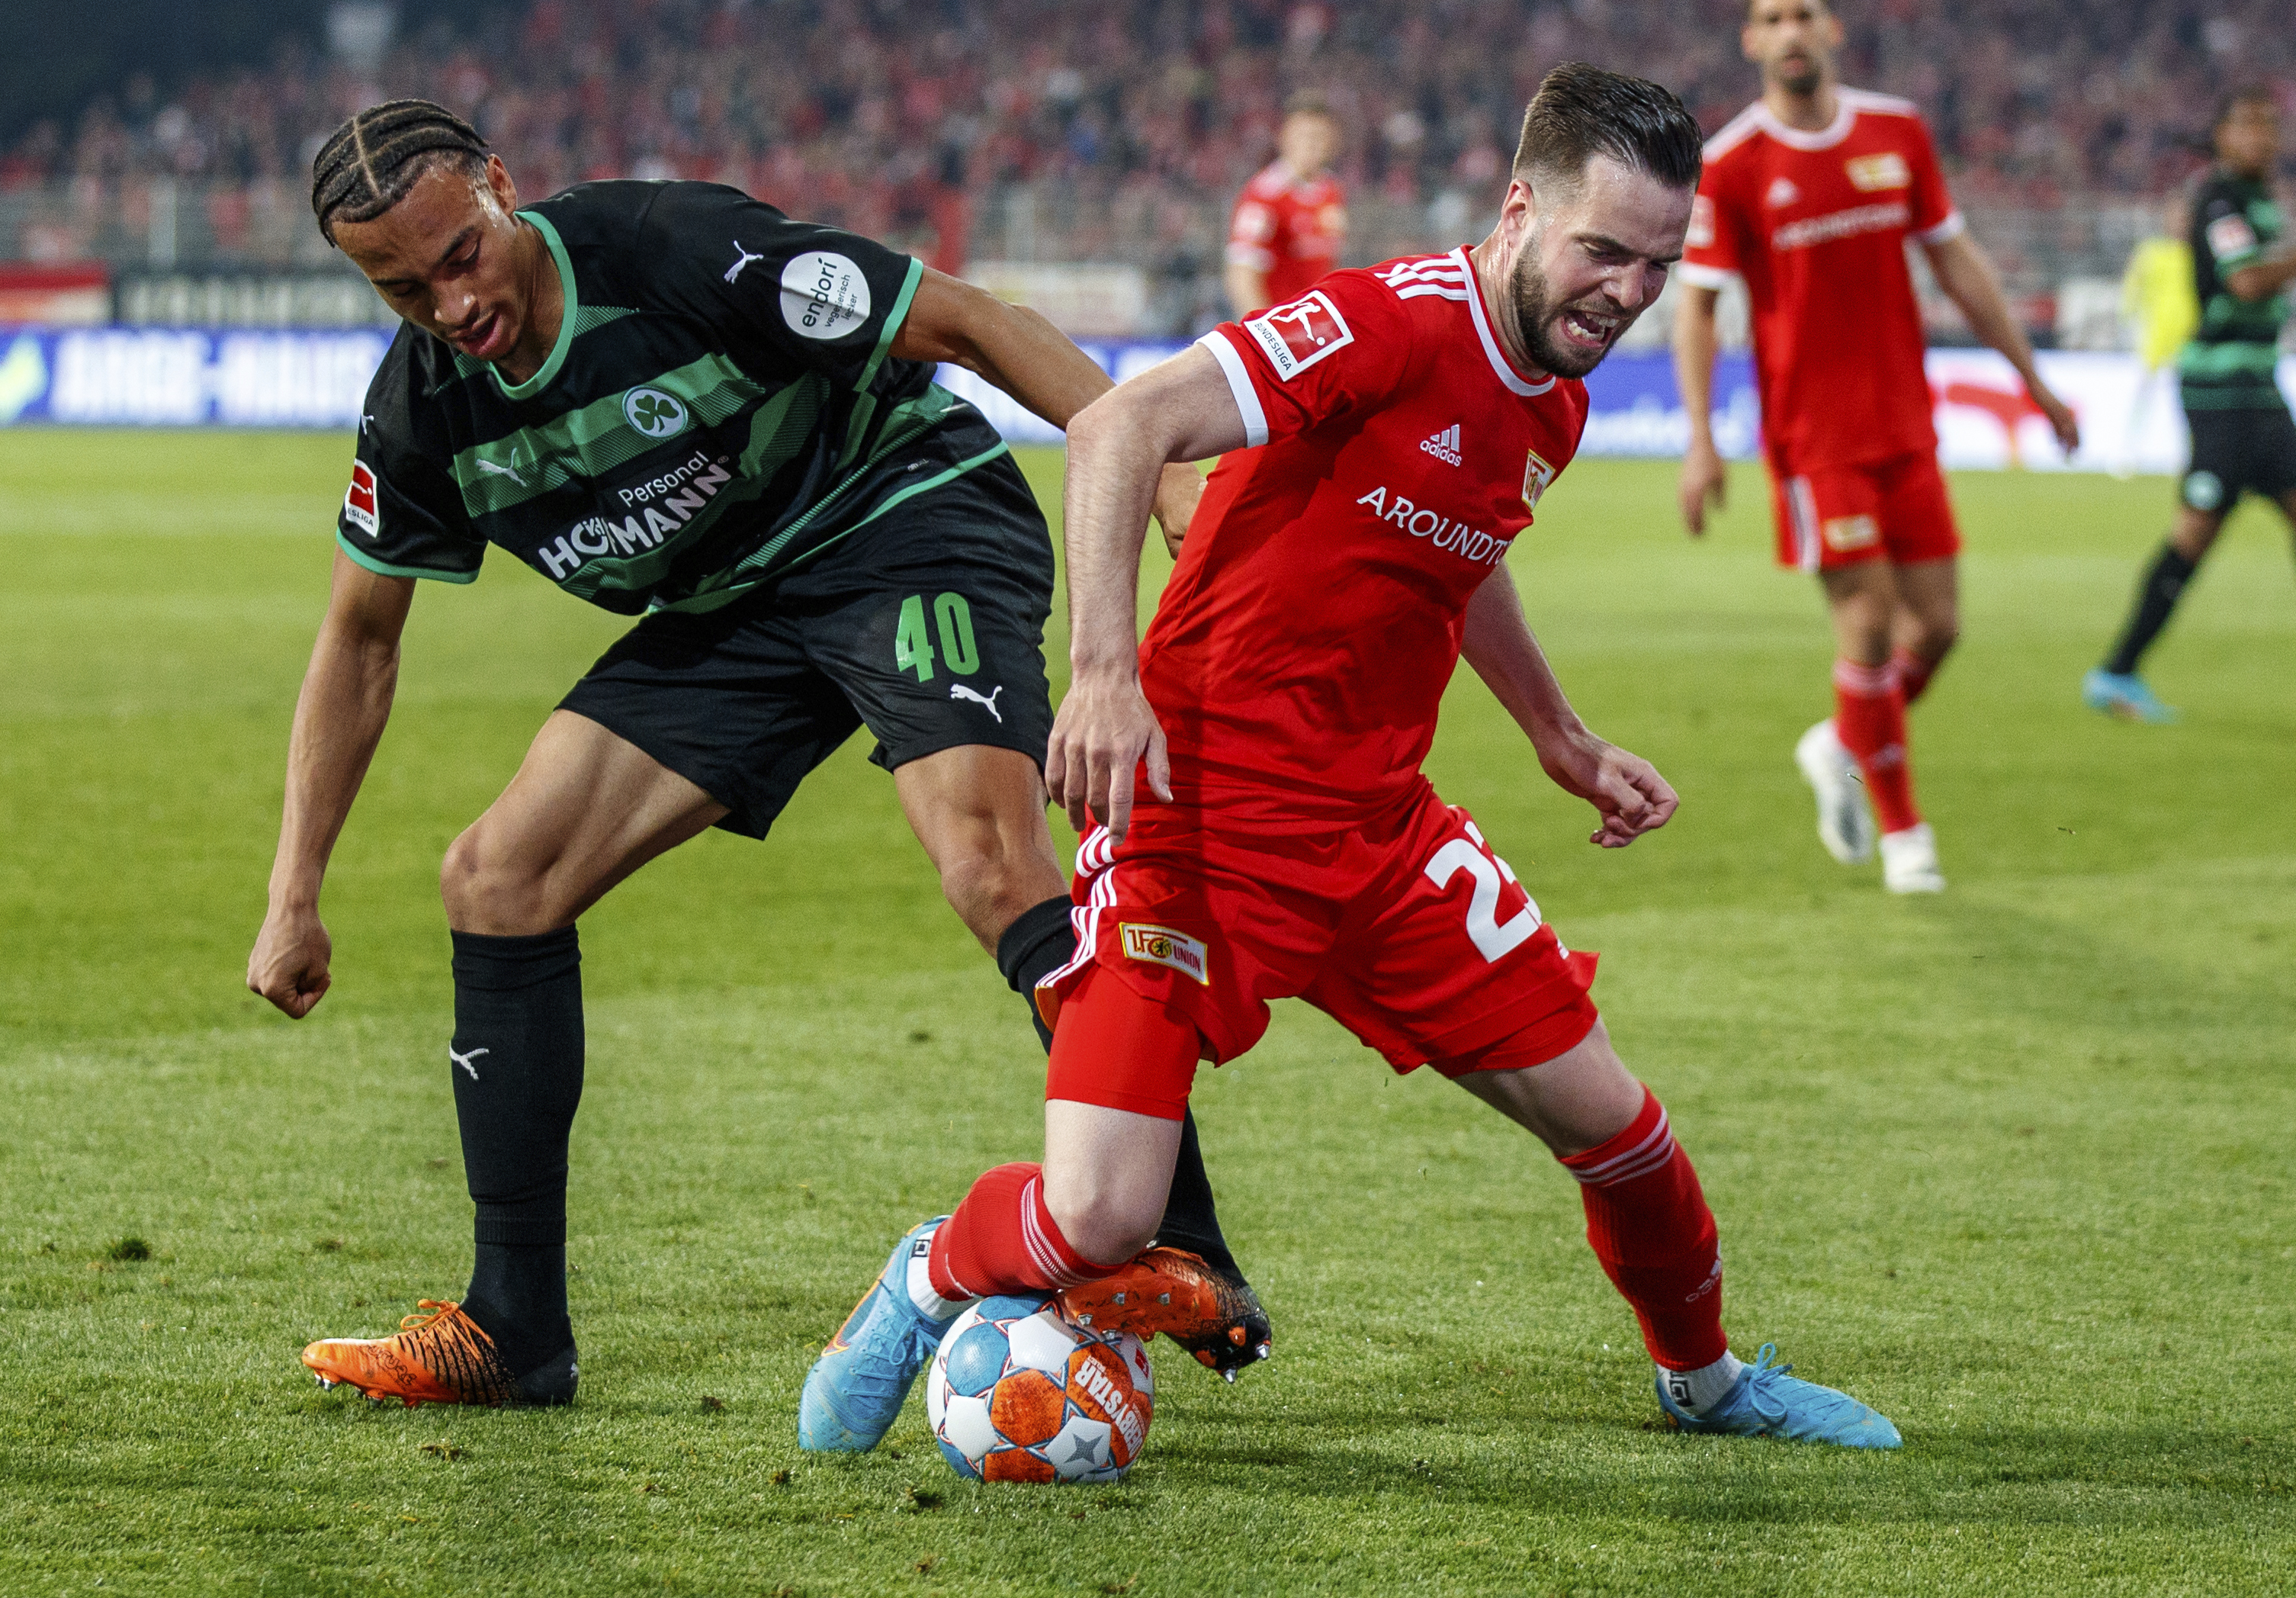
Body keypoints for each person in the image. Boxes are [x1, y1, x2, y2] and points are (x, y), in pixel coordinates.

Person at [801, 63, 1899, 1458]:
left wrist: (1558, 737)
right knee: (1097, 1217)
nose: (1628, 292)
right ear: (1519, 210)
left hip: (1377, 839)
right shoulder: (1383, 324)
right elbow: (1124, 423)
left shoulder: (1551, 395)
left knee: (1624, 1134)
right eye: (1604, 251)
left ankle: (1708, 1383)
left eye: (1659, 265)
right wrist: (1099, 671)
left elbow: (1461, 548)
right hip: (1188, 822)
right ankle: (928, 1276)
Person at [248, 99, 1266, 1410]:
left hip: (900, 514)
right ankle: (513, 1331)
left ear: (503, 187)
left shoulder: (669, 246)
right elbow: (359, 640)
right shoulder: (425, 413)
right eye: (401, 287)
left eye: (461, 256)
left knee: (987, 862)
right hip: (733, 607)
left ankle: (1183, 1243)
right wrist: (293, 893)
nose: (450, 304)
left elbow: (962, 318)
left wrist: (1158, 469)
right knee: (498, 879)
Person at [1673, 0, 2079, 894]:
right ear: (1751, 41)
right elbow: (1697, 306)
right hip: (1813, 442)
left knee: (1935, 627)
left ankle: (1841, 740)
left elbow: (1954, 261)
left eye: (1802, 14)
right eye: (1770, 18)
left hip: (1903, 424)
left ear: (1831, 30)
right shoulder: (1732, 164)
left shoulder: (1896, 132)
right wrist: (1700, 439)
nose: (1788, 32)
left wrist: (2033, 381)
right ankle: (1904, 835)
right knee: (1864, 623)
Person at [2086, 87, 2296, 722]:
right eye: (2249, 126)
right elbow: (2246, 280)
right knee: (2194, 534)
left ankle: (2118, 673)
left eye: (2270, 126)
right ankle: (2116, 672)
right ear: (2223, 135)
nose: (2262, 137)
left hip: (2260, 387)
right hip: (2220, 395)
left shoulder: (2258, 197)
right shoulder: (2218, 197)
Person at [1224, 94, 1348, 318]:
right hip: (1280, 331)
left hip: (1316, 328)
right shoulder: (1263, 195)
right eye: (1304, 136)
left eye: (1319, 137)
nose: (1312, 144)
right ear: (1284, 138)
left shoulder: (1331, 190)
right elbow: (1241, 276)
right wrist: (1266, 334)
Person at [2111, 197, 2198, 481]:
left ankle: (2187, 457)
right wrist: (2129, 324)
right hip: (2154, 338)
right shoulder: (2151, 252)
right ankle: (2128, 453)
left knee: (2187, 402)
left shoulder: (2198, 254)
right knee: (2141, 397)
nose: (2179, 224)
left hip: (2189, 338)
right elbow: (2131, 290)